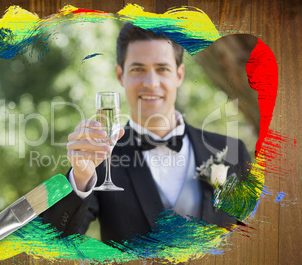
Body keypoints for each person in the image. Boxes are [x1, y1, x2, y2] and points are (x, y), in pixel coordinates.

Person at [42, 23, 251, 244]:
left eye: (162, 69)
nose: (151, 83)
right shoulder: (101, 157)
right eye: (138, 69)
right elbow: (55, 242)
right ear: (120, 75)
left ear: (179, 75)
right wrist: (80, 178)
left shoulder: (232, 152)